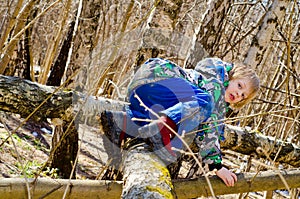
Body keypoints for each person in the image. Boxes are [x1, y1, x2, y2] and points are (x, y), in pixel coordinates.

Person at [101, 57, 260, 187]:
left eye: (243, 96)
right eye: (239, 85)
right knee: (205, 102)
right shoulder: (216, 83)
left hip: (144, 94)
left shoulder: (211, 87)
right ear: (232, 76)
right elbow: (210, 124)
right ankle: (161, 128)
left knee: (163, 117)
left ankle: (122, 123)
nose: (238, 94)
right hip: (158, 78)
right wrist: (216, 165)